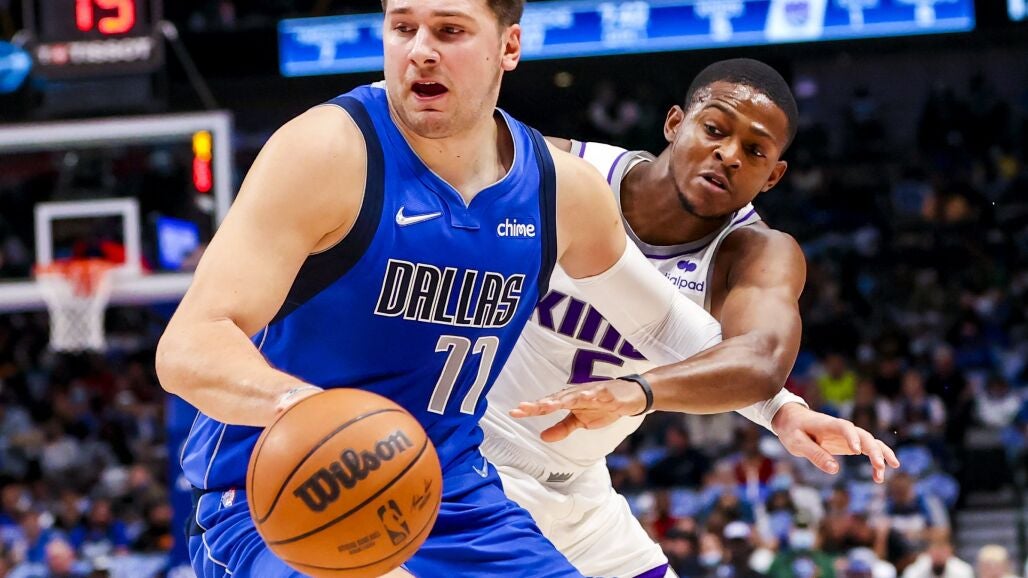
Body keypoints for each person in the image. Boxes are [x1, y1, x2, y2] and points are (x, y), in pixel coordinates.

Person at [157, 2, 771, 577]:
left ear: (509, 46)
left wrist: (782, 412)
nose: (420, 50)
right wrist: (309, 414)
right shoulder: (329, 150)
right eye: (403, 28)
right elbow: (189, 346)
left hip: (454, 493)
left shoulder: (563, 190)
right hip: (285, 496)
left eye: (449, 31)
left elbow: (663, 325)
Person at [483, 59, 899, 577]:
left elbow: (759, 359)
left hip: (581, 487)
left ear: (773, 176)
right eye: (715, 129)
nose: (729, 155)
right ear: (675, 123)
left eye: (755, 151)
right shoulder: (564, 169)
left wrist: (777, 410)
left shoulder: (755, 252)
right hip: (475, 458)